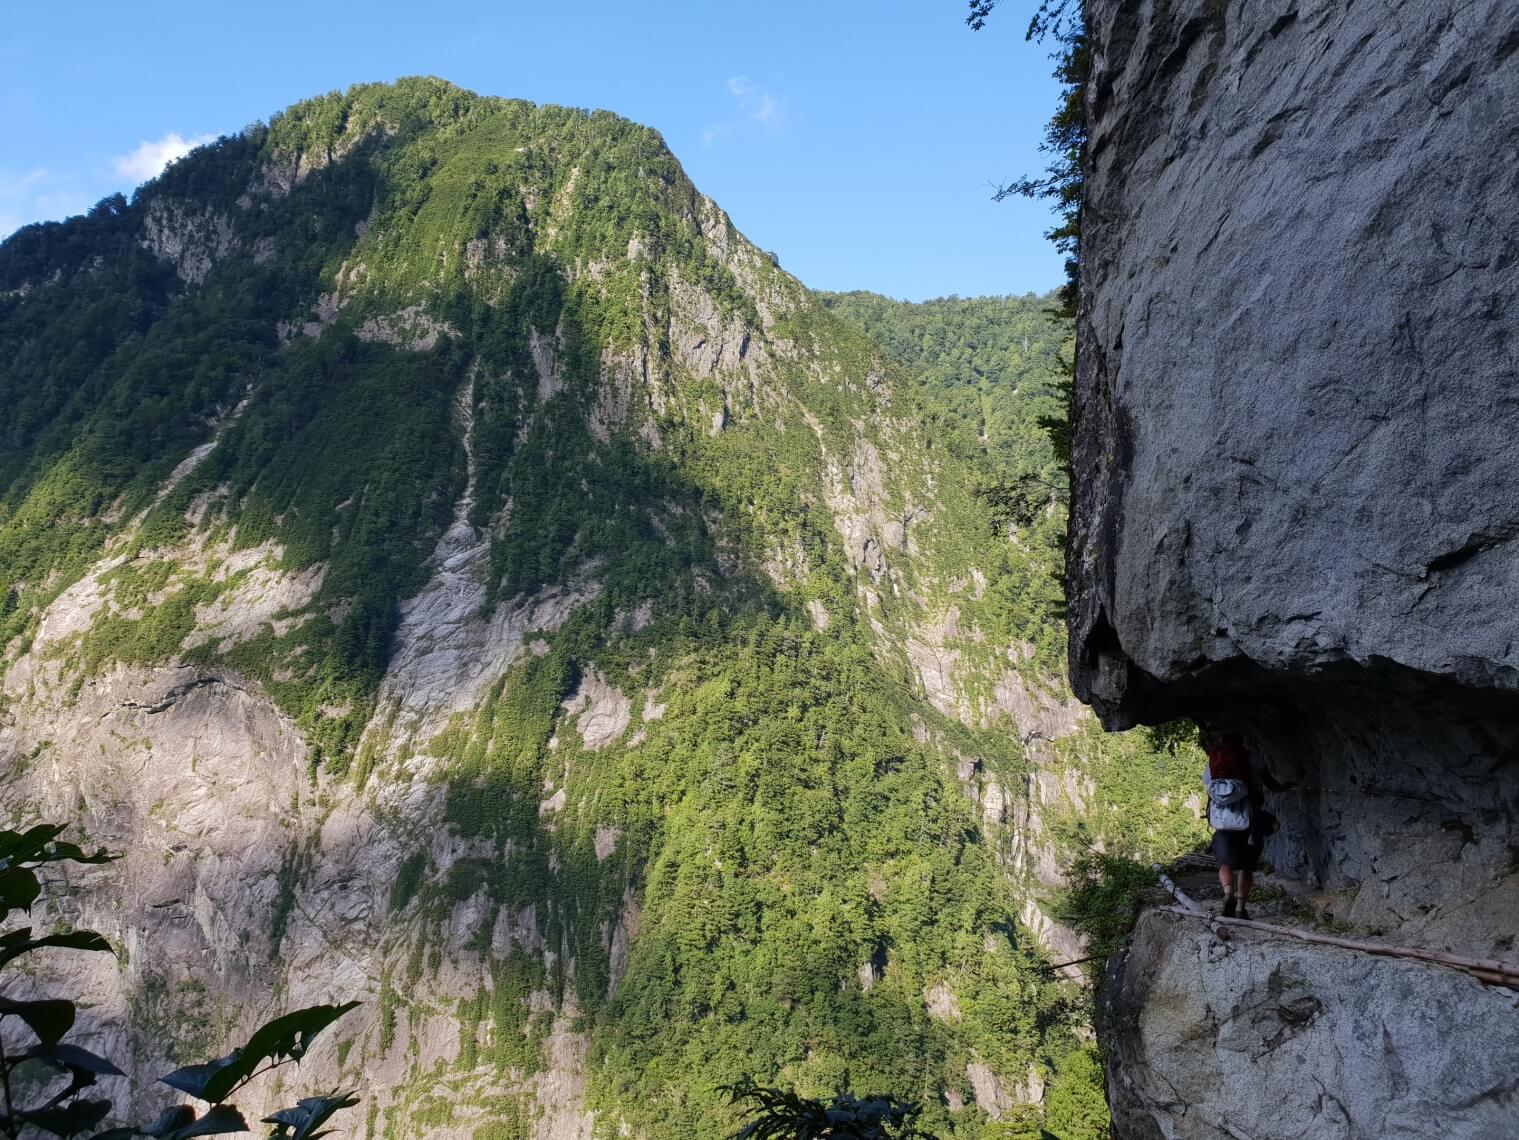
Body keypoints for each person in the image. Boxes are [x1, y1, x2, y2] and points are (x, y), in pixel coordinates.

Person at [1201, 729, 1283, 920]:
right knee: (1246, 865)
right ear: (1241, 743)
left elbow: (1209, 790)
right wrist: (1285, 786)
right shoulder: (1251, 760)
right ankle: (1240, 908)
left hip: (1222, 822)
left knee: (1224, 862)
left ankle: (1228, 891)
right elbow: (1270, 784)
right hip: (1248, 821)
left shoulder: (1213, 765)